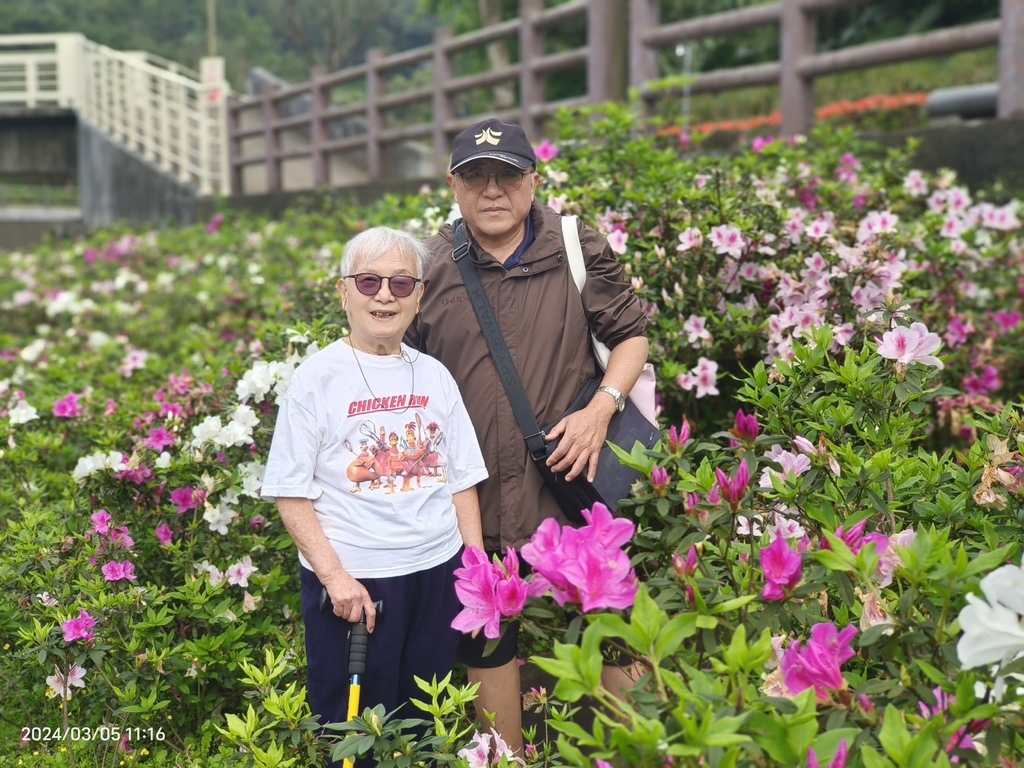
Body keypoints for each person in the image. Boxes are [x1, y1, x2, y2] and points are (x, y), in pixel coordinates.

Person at [405, 118, 650, 755]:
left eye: (508, 175)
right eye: (476, 177)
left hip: (572, 486)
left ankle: (635, 751)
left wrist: (603, 407)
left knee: (614, 635)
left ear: (533, 182)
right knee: (489, 646)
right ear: (454, 186)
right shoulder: (427, 266)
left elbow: (631, 334)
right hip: (473, 501)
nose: (493, 190)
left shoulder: (573, 244)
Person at [261, 226, 487, 766]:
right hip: (357, 586)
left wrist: (473, 565)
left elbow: (461, 479)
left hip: (435, 573)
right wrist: (335, 578)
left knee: (423, 725)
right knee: (354, 732)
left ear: (419, 298)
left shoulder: (435, 376)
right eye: (369, 281)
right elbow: (291, 495)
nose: (384, 295)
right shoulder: (316, 379)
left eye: (401, 283)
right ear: (344, 292)